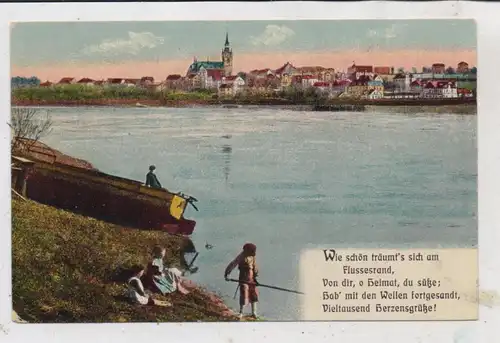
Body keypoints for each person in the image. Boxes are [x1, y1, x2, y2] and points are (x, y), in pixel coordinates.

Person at [224, 243, 259, 319]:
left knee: (254, 295)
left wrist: (255, 277)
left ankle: (254, 313)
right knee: (244, 294)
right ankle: (241, 312)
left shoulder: (252, 256)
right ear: (247, 251)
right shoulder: (241, 256)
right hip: (243, 278)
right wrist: (227, 273)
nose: (254, 253)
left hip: (252, 278)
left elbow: (255, 266)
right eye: (252, 252)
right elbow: (233, 264)